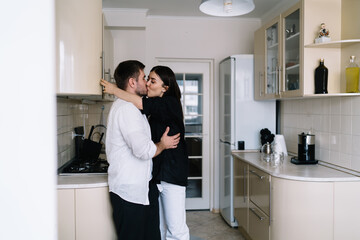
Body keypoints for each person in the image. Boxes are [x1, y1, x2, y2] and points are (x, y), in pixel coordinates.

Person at [101, 65, 190, 240]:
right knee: (162, 228)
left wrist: (114, 89)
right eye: (146, 78)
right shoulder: (147, 108)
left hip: (172, 175)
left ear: (165, 88)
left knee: (176, 229)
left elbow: (139, 102)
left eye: (152, 80)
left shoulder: (170, 103)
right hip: (156, 176)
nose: (148, 84)